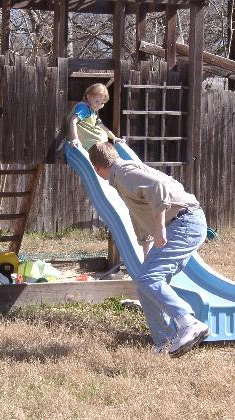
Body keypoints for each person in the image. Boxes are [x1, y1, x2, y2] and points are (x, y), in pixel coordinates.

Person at [88, 142, 210, 358]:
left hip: (184, 222)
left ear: (97, 169)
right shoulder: (122, 178)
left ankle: (187, 322)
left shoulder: (124, 172)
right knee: (145, 283)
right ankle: (165, 343)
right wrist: (146, 247)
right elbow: (139, 215)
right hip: (184, 222)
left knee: (148, 279)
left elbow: (158, 188)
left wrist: (161, 228)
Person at [69, 83, 123, 151]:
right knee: (101, 140)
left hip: (88, 143)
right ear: (88, 97)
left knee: (103, 137)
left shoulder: (93, 110)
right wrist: (75, 139)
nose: (99, 105)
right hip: (81, 141)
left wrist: (114, 138)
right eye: (96, 101)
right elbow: (73, 121)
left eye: (102, 103)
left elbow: (101, 126)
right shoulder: (84, 108)